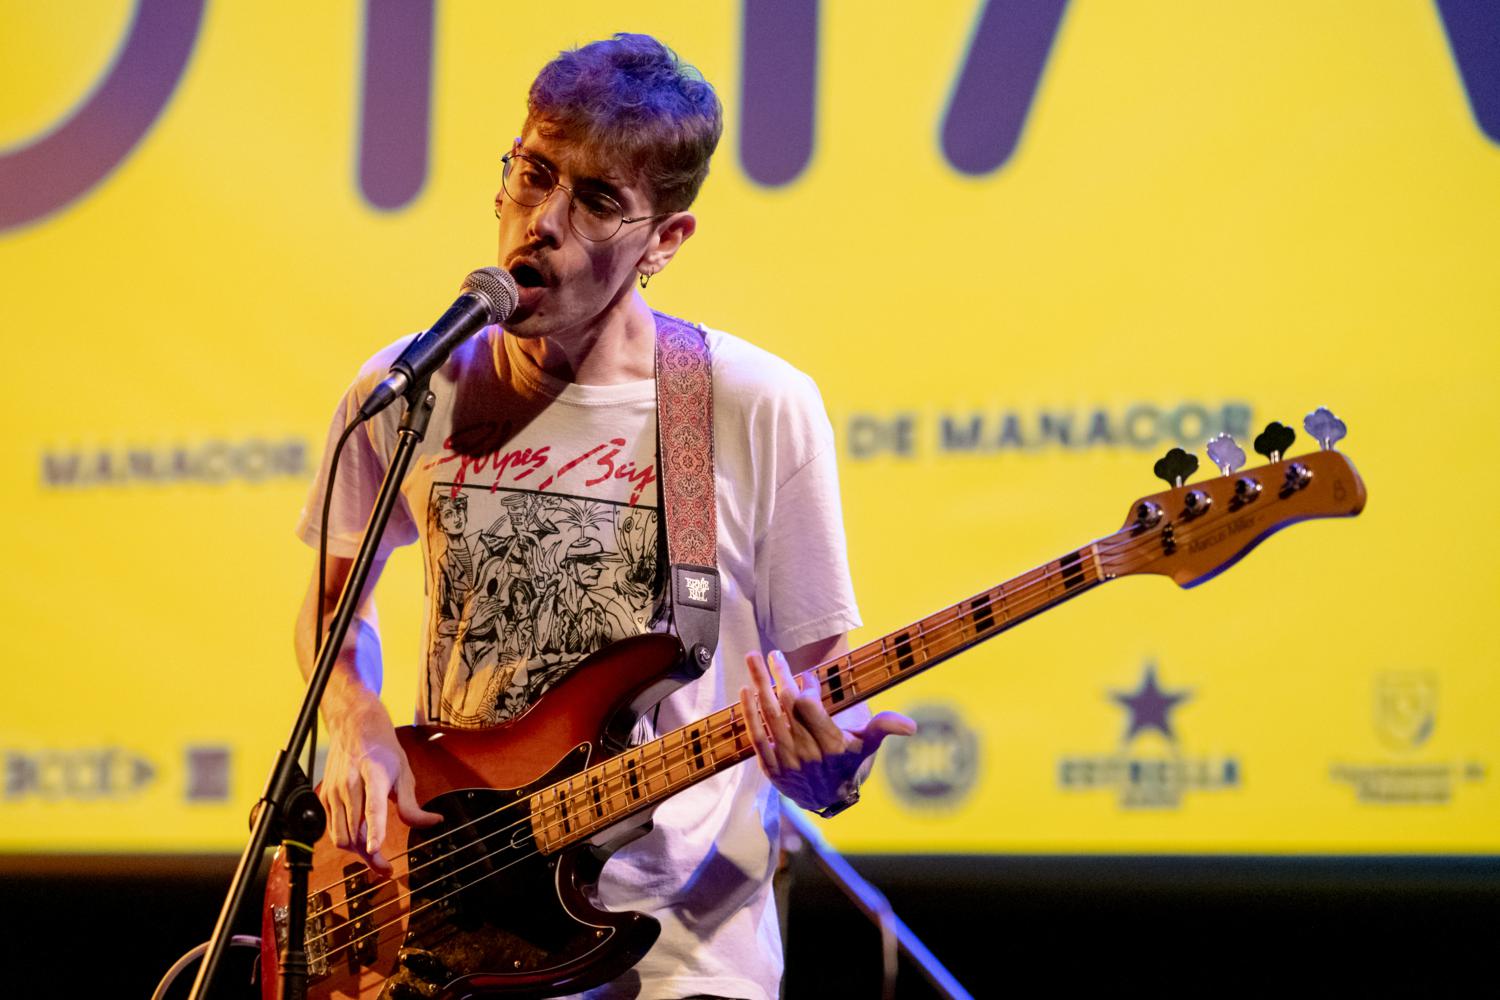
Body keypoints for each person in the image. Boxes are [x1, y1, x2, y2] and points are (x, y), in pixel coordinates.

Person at [295, 33, 914, 1000]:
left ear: (665, 239)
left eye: (595, 200)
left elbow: (826, 684)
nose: (543, 221)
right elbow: (333, 610)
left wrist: (825, 772)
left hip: (682, 956)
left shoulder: (755, 404)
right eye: (534, 173)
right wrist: (356, 720)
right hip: (448, 929)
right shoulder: (413, 385)